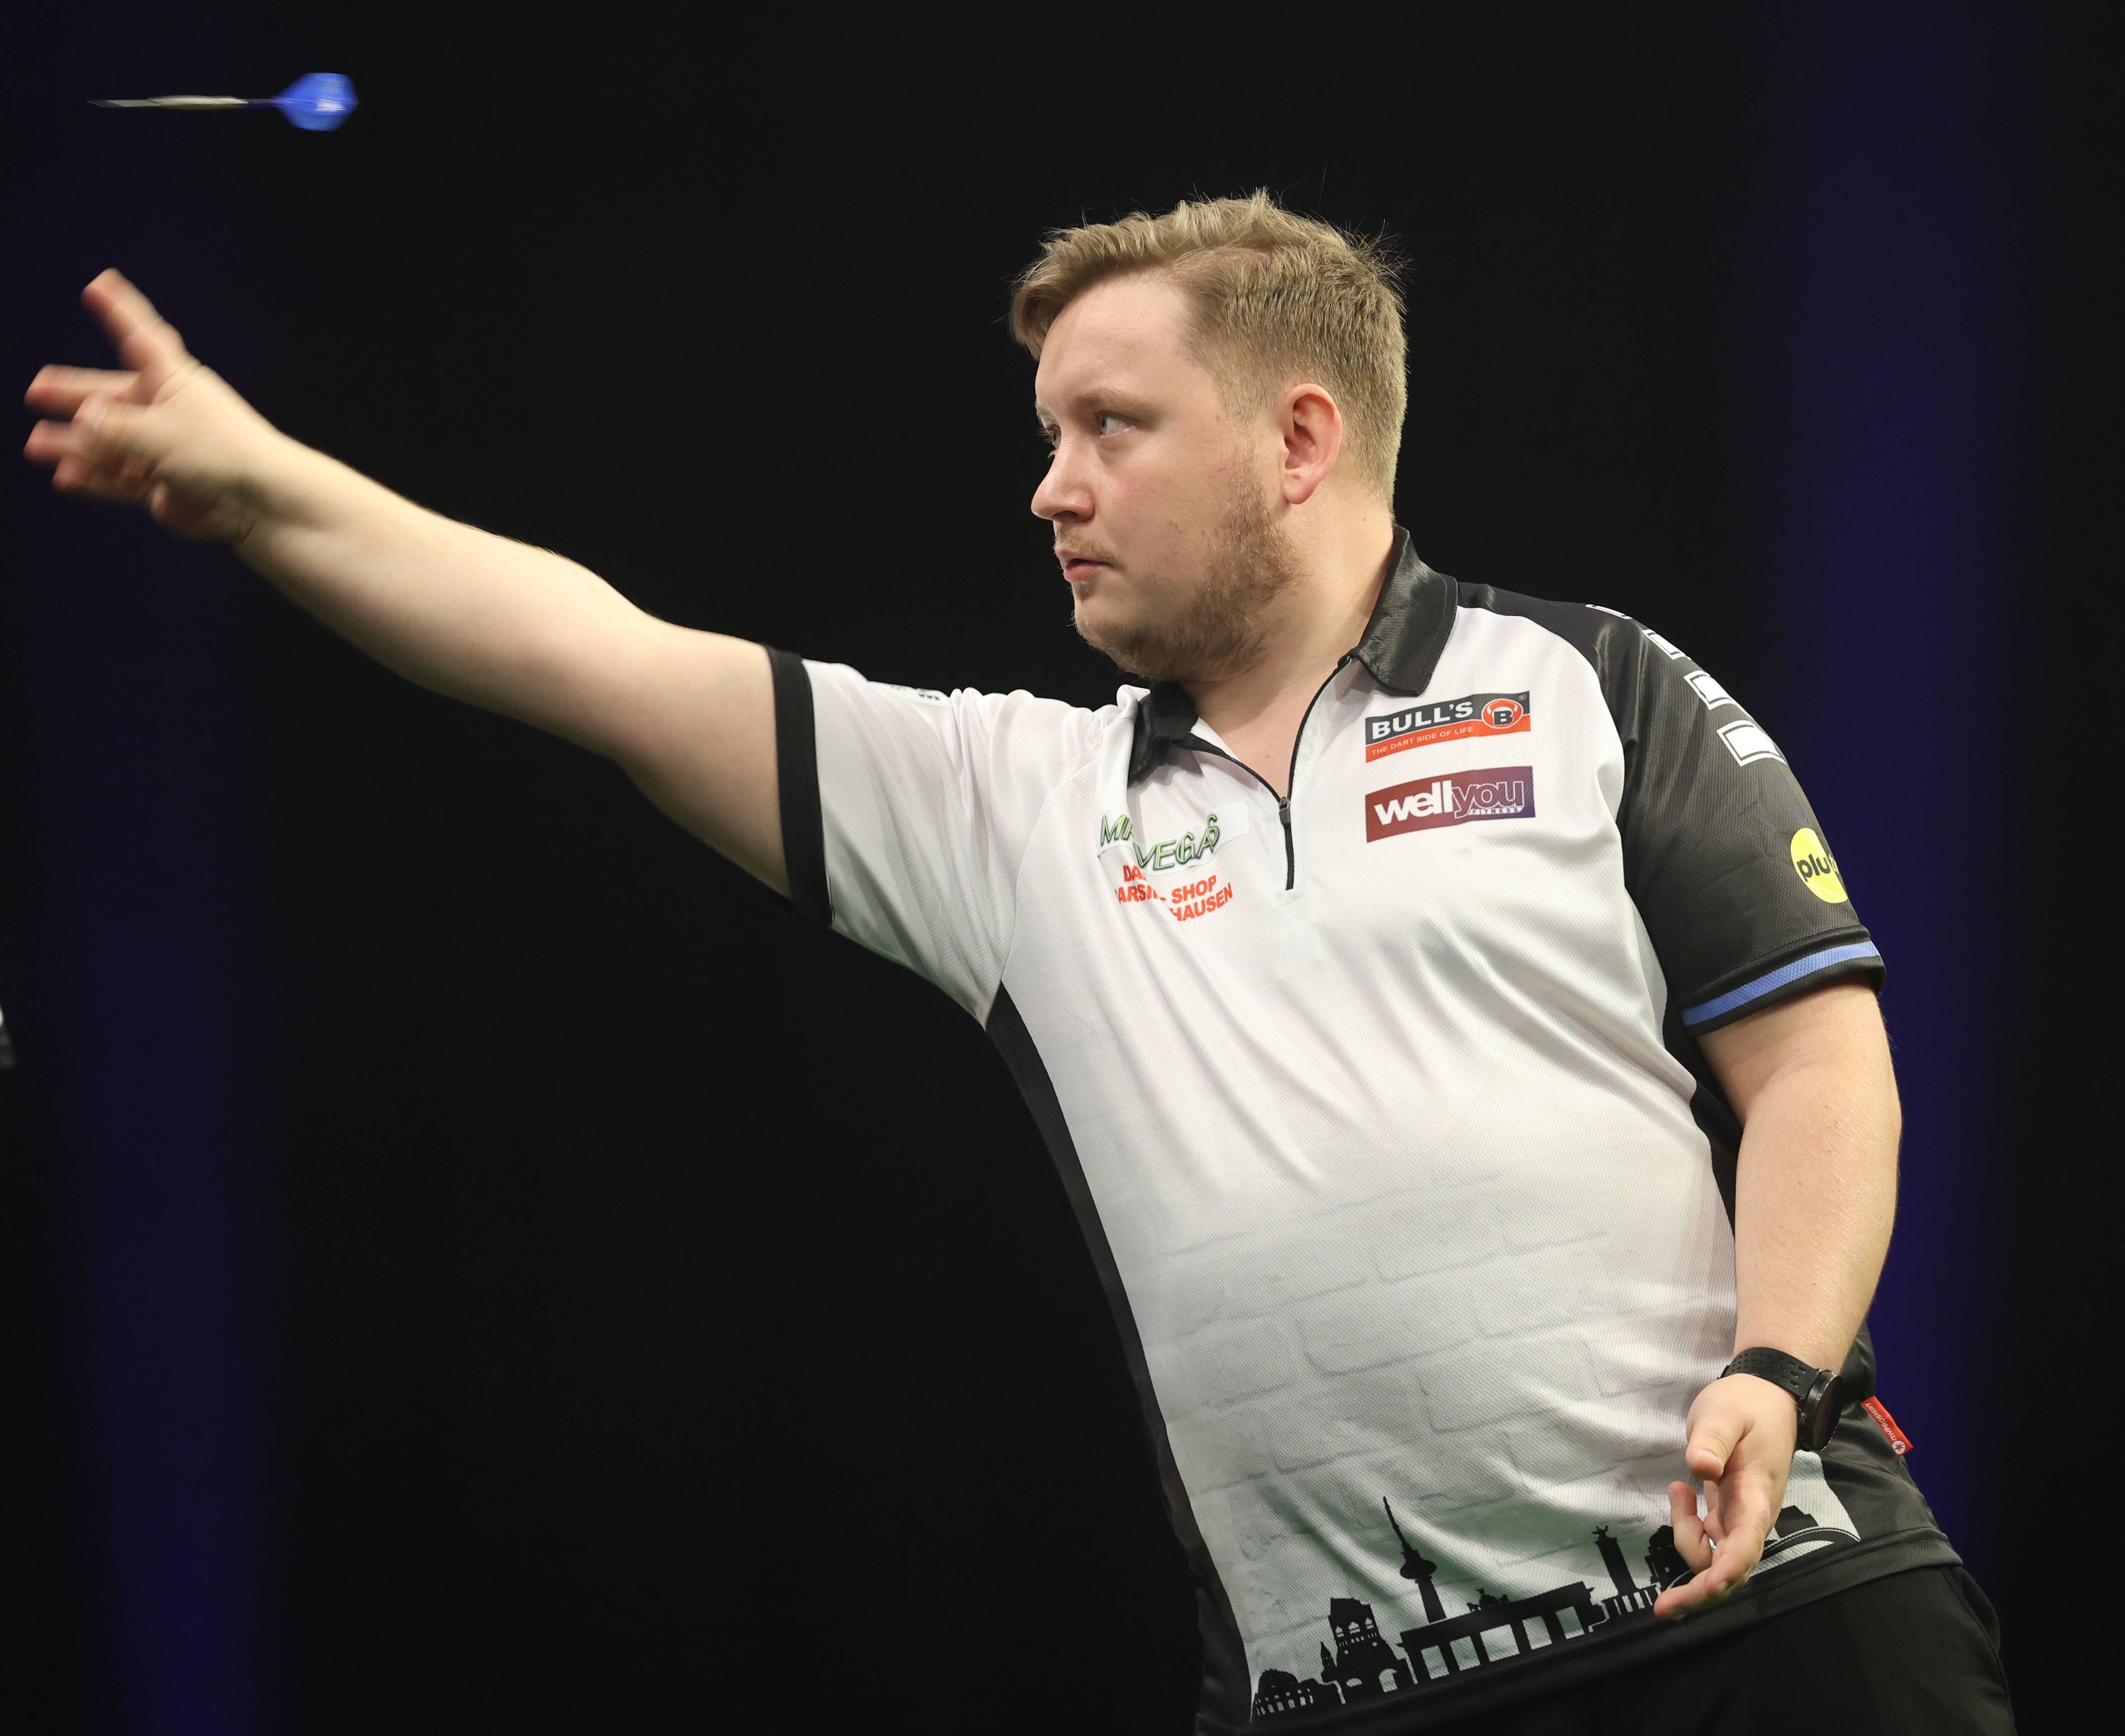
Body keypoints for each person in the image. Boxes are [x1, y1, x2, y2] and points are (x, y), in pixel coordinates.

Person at [22, 193, 2012, 1734]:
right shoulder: (1011, 805)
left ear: (1298, 437)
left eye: (1108, 427)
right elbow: (597, 658)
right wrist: (261, 488)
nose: (1049, 486)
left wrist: (1776, 1364)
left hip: (1775, 1625)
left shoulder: (1586, 684)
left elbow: (1817, 1065)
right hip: (1350, 1700)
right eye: (1048, 431)